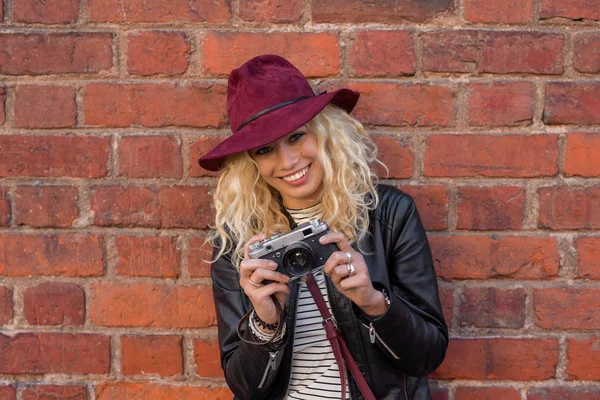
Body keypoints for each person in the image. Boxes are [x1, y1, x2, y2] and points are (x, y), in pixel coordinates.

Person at [199, 54, 448, 400]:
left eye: (297, 136)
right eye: (265, 149)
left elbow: (427, 356)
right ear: (250, 163)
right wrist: (265, 324)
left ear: (325, 131)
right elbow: (244, 388)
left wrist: (374, 302)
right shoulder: (240, 241)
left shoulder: (388, 215)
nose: (287, 162)